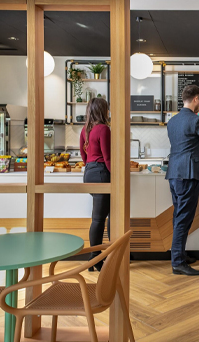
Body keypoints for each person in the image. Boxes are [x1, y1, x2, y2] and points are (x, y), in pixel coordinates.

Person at [166, 85, 199, 276]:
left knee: (178, 216)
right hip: (188, 174)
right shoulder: (197, 120)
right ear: (197, 99)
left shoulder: (172, 122)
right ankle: (178, 262)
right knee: (183, 218)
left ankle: (178, 254)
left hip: (174, 173)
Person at [79, 97, 111, 272]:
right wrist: (117, 176)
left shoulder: (86, 129)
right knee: (99, 218)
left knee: (101, 216)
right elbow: (107, 158)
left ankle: (100, 256)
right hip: (101, 174)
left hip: (89, 173)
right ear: (102, 110)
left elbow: (84, 157)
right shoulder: (103, 129)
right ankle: (95, 259)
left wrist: (90, 167)